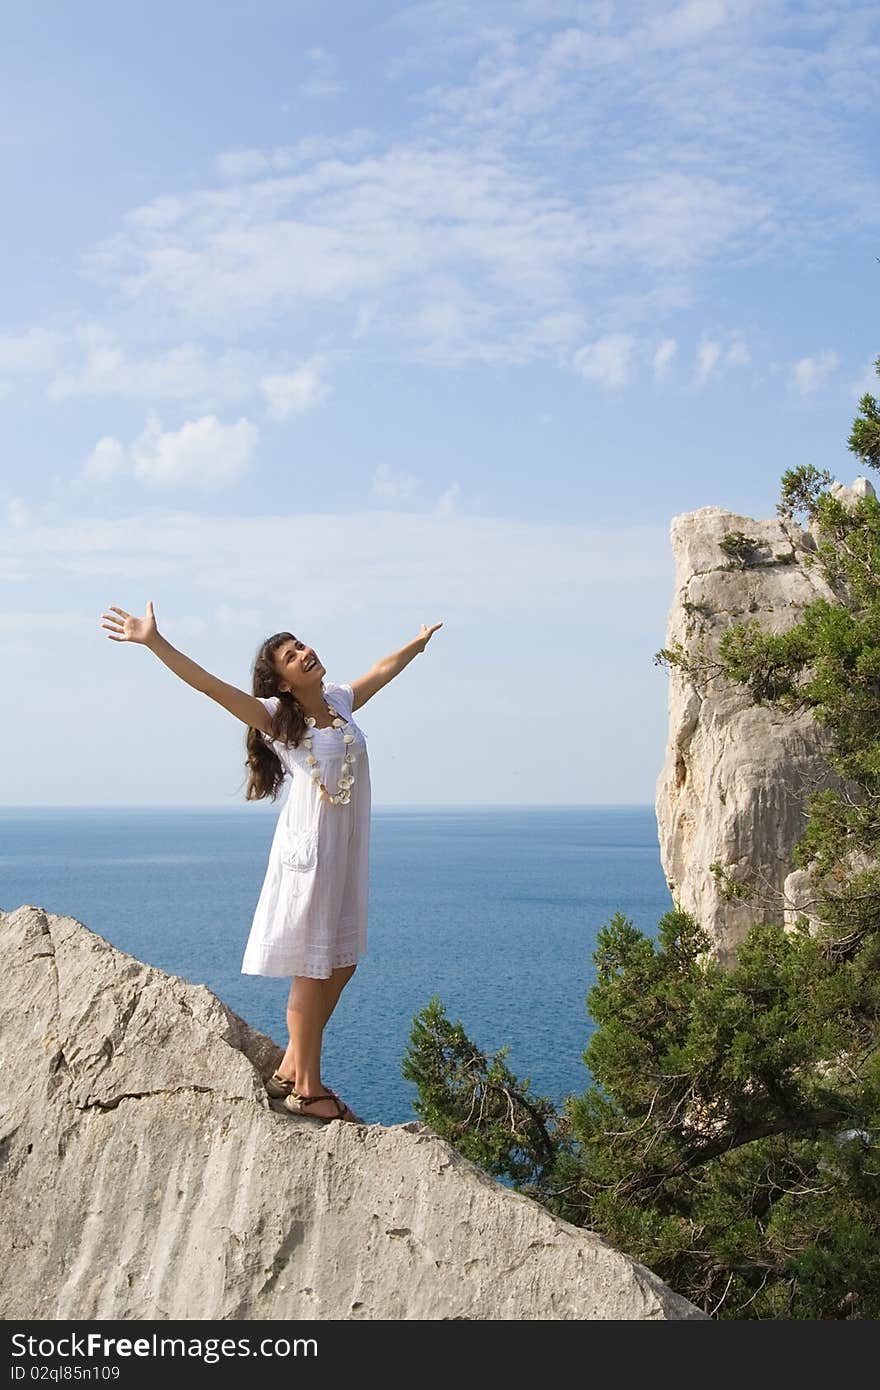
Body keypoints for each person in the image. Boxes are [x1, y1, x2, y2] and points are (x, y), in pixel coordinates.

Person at [100, 599, 443, 1125]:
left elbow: (380, 672)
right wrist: (154, 642)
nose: (304, 653)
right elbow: (211, 687)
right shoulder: (280, 723)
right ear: (280, 680)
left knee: (343, 960)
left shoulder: (340, 701)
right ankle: (306, 1088)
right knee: (313, 967)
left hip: (345, 852)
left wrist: (415, 646)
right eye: (290, 654)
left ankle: (289, 1065)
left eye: (301, 644)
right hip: (310, 856)